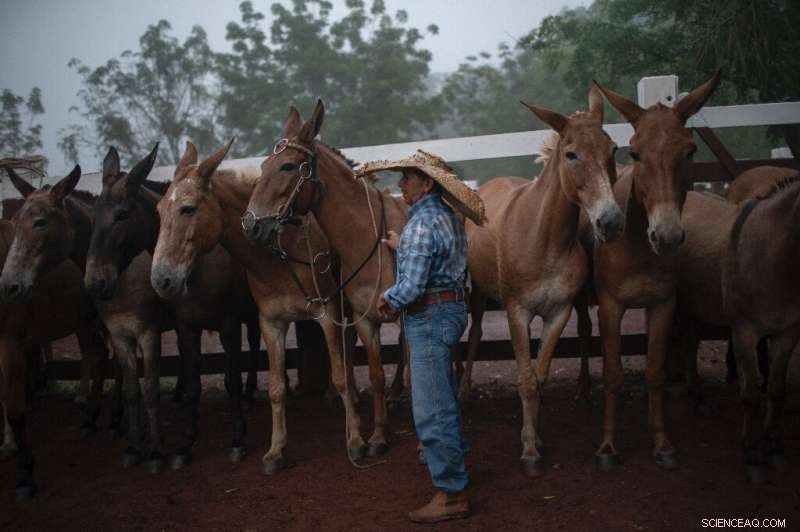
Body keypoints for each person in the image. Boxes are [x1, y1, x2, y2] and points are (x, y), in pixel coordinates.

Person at [356, 150, 486, 524]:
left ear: (426, 183)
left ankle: (451, 493)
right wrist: (403, 248)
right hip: (450, 311)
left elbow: (411, 287)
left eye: (408, 178)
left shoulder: (420, 226)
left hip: (428, 316)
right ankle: (455, 476)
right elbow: (438, 259)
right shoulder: (446, 217)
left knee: (431, 409)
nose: (401, 184)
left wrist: (388, 298)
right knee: (444, 399)